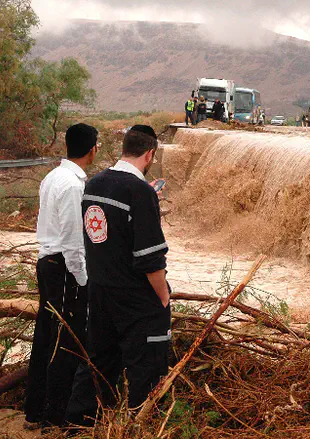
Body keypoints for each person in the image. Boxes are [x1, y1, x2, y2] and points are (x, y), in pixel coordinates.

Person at [65, 125, 171, 426]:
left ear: (123, 149)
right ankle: (142, 426)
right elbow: (150, 258)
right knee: (146, 368)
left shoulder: (95, 183)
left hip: (100, 292)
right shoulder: (139, 192)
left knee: (98, 363)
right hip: (134, 299)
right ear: (149, 154)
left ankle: (78, 425)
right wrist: (163, 298)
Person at [25, 123, 98, 428]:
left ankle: (35, 410)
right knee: (64, 339)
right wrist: (82, 279)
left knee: (46, 335)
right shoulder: (72, 185)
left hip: (48, 263)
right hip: (63, 267)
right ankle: (55, 415)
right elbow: (72, 238)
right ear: (92, 149)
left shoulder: (53, 177)